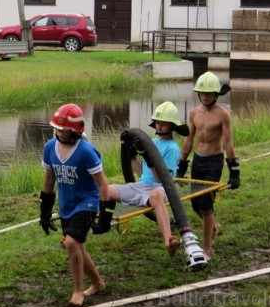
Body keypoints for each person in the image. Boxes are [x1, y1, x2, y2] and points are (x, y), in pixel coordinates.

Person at [39, 103, 112, 307]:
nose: (59, 132)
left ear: (75, 131)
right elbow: (49, 178)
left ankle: (78, 291)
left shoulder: (87, 152)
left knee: (71, 243)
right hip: (66, 205)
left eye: (63, 129)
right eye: (57, 128)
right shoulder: (49, 147)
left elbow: (102, 184)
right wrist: (45, 210)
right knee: (77, 245)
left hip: (87, 202)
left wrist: (105, 213)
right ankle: (98, 283)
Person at [103, 101, 187, 257]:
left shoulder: (173, 148)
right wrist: (132, 157)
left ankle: (169, 240)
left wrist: (149, 158)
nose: (159, 126)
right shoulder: (152, 142)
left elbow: (162, 180)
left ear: (172, 126)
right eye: (158, 123)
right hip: (141, 186)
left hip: (162, 189)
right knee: (106, 190)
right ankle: (97, 223)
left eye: (164, 124)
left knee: (155, 196)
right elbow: (143, 174)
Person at [178, 71, 240, 261]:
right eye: (201, 93)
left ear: (216, 94)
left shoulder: (223, 115)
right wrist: (181, 164)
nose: (204, 97)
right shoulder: (194, 112)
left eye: (208, 93)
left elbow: (228, 143)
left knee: (205, 202)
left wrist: (234, 171)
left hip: (214, 161)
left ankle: (206, 248)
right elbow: (189, 140)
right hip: (198, 159)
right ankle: (213, 226)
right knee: (195, 202)